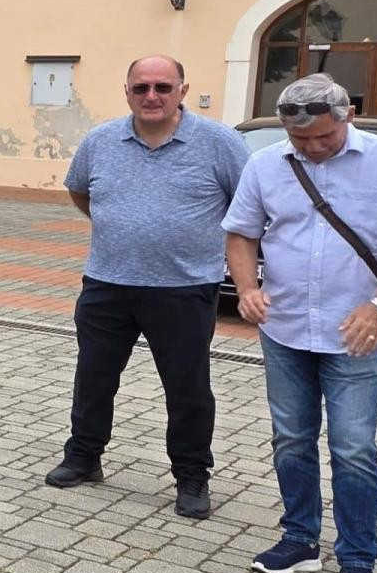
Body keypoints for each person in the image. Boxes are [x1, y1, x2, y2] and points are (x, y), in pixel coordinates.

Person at [224, 73, 377, 573]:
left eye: (324, 136)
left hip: (356, 333)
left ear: (348, 117)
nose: (313, 147)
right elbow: (242, 233)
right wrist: (247, 288)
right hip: (286, 328)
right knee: (291, 439)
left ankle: (358, 562)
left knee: (354, 450)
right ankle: (300, 539)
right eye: (301, 139)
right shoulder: (264, 164)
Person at [46, 55, 249, 520]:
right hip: (107, 283)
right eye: (141, 88)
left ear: (182, 90)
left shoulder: (219, 142)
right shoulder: (101, 141)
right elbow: (81, 191)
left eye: (162, 87)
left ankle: (192, 476)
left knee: (187, 389)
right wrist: (122, 224)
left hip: (184, 288)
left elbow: (249, 202)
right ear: (127, 92)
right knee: (94, 379)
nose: (151, 96)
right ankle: (84, 456)